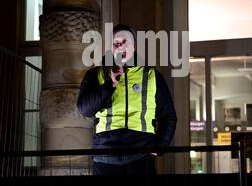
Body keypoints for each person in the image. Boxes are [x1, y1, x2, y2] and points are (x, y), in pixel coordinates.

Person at [76, 24, 177, 175]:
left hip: (141, 155)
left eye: (126, 41)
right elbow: (84, 109)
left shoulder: (152, 76)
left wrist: (161, 145)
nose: (121, 46)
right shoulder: (95, 74)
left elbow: (168, 115)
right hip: (105, 157)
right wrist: (110, 84)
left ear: (134, 47)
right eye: (116, 42)